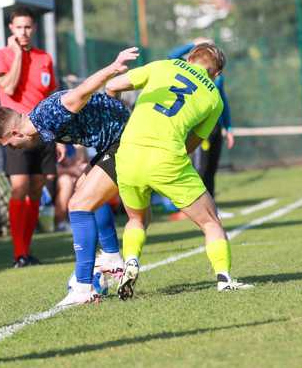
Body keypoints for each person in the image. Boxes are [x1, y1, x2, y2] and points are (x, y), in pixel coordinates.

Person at [0, 48, 138, 305]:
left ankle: (83, 287)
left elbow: (82, 91)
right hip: (115, 142)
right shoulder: (40, 123)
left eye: (9, 146)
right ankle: (112, 257)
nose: (13, 150)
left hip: (125, 140)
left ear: (15, 134)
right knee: (83, 187)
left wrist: (113, 67)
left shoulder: (47, 113)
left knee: (78, 204)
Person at [105, 43, 253, 300]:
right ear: (216, 74)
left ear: (190, 58)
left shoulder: (163, 65)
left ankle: (130, 261)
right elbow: (192, 144)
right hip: (167, 158)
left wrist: (120, 119)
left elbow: (113, 86)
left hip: (128, 153)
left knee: (136, 219)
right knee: (210, 221)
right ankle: (224, 279)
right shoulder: (214, 99)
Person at [0, 7, 59, 268]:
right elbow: (8, 86)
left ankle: (26, 250)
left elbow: (51, 98)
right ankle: (19, 252)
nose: (24, 32)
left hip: (43, 131)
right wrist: (18, 54)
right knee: (19, 187)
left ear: (34, 28)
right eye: (19, 27)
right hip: (15, 132)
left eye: (28, 27)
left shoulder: (44, 58)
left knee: (36, 188)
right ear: (11, 28)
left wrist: (60, 137)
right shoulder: (2, 56)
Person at [168, 39, 235, 207]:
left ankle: (211, 206)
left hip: (215, 128)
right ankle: (194, 207)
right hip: (199, 127)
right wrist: (192, 43)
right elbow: (171, 57)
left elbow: (223, 102)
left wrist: (228, 127)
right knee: (200, 169)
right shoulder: (187, 68)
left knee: (211, 170)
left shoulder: (217, 77)